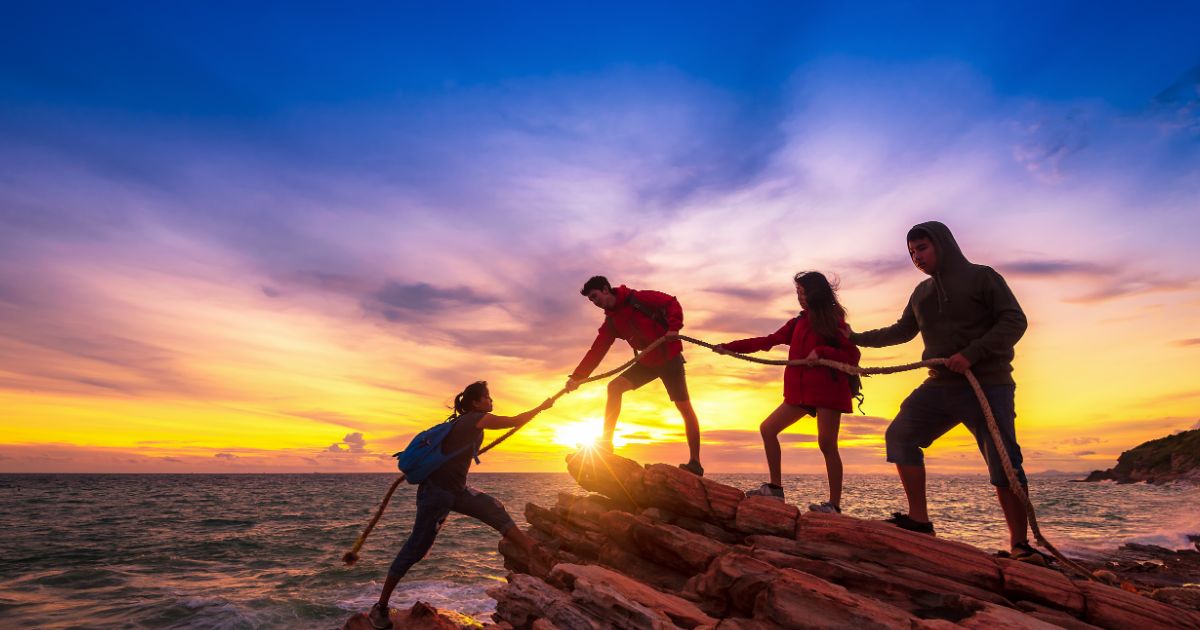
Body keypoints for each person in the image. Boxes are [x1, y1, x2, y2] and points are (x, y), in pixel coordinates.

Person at [849, 221, 1036, 558]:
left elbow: (1014, 320)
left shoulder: (983, 277)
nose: (916, 257)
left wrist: (971, 354)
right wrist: (854, 338)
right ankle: (919, 521)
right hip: (940, 386)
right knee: (901, 435)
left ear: (942, 244)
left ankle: (1020, 545)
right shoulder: (921, 293)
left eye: (922, 248)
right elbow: (901, 331)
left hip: (988, 384)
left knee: (1004, 461)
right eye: (911, 252)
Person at [369, 381, 553, 629]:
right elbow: (514, 420)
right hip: (436, 494)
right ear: (476, 403)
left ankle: (537, 553)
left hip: (456, 491)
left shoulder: (466, 422)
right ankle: (380, 607)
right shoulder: (476, 419)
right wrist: (542, 407)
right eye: (487, 398)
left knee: (494, 509)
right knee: (416, 548)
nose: (491, 402)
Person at [714, 272, 861, 512]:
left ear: (816, 293)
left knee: (826, 444)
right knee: (768, 428)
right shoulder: (797, 323)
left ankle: (834, 505)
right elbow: (767, 341)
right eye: (798, 293)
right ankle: (775, 490)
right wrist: (730, 348)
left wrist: (823, 352)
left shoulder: (835, 321)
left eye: (804, 293)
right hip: (801, 393)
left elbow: (853, 357)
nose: (800, 298)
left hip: (828, 391)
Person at [564, 276, 705, 476]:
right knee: (614, 388)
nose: (594, 302)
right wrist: (578, 376)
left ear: (605, 289)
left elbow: (671, 303)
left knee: (684, 408)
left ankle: (695, 463)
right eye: (591, 300)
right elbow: (598, 349)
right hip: (646, 362)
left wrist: (674, 327)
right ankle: (606, 445)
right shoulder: (612, 321)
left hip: (669, 357)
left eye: (595, 296)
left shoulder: (638, 298)